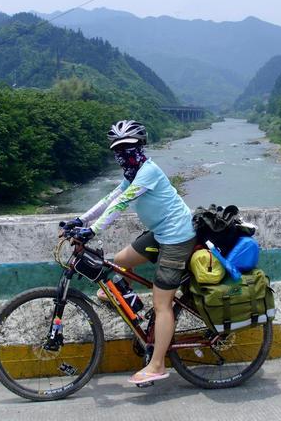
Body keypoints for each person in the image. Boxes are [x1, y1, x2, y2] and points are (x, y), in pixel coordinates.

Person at [60, 119, 196, 385]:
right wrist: (81, 220)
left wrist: (93, 231)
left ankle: (157, 365)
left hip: (178, 238)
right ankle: (135, 308)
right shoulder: (132, 173)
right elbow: (111, 197)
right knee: (120, 262)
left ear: (140, 146)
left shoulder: (148, 172)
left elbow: (122, 203)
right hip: (160, 233)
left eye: (129, 147)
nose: (124, 153)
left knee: (163, 304)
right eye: (118, 148)